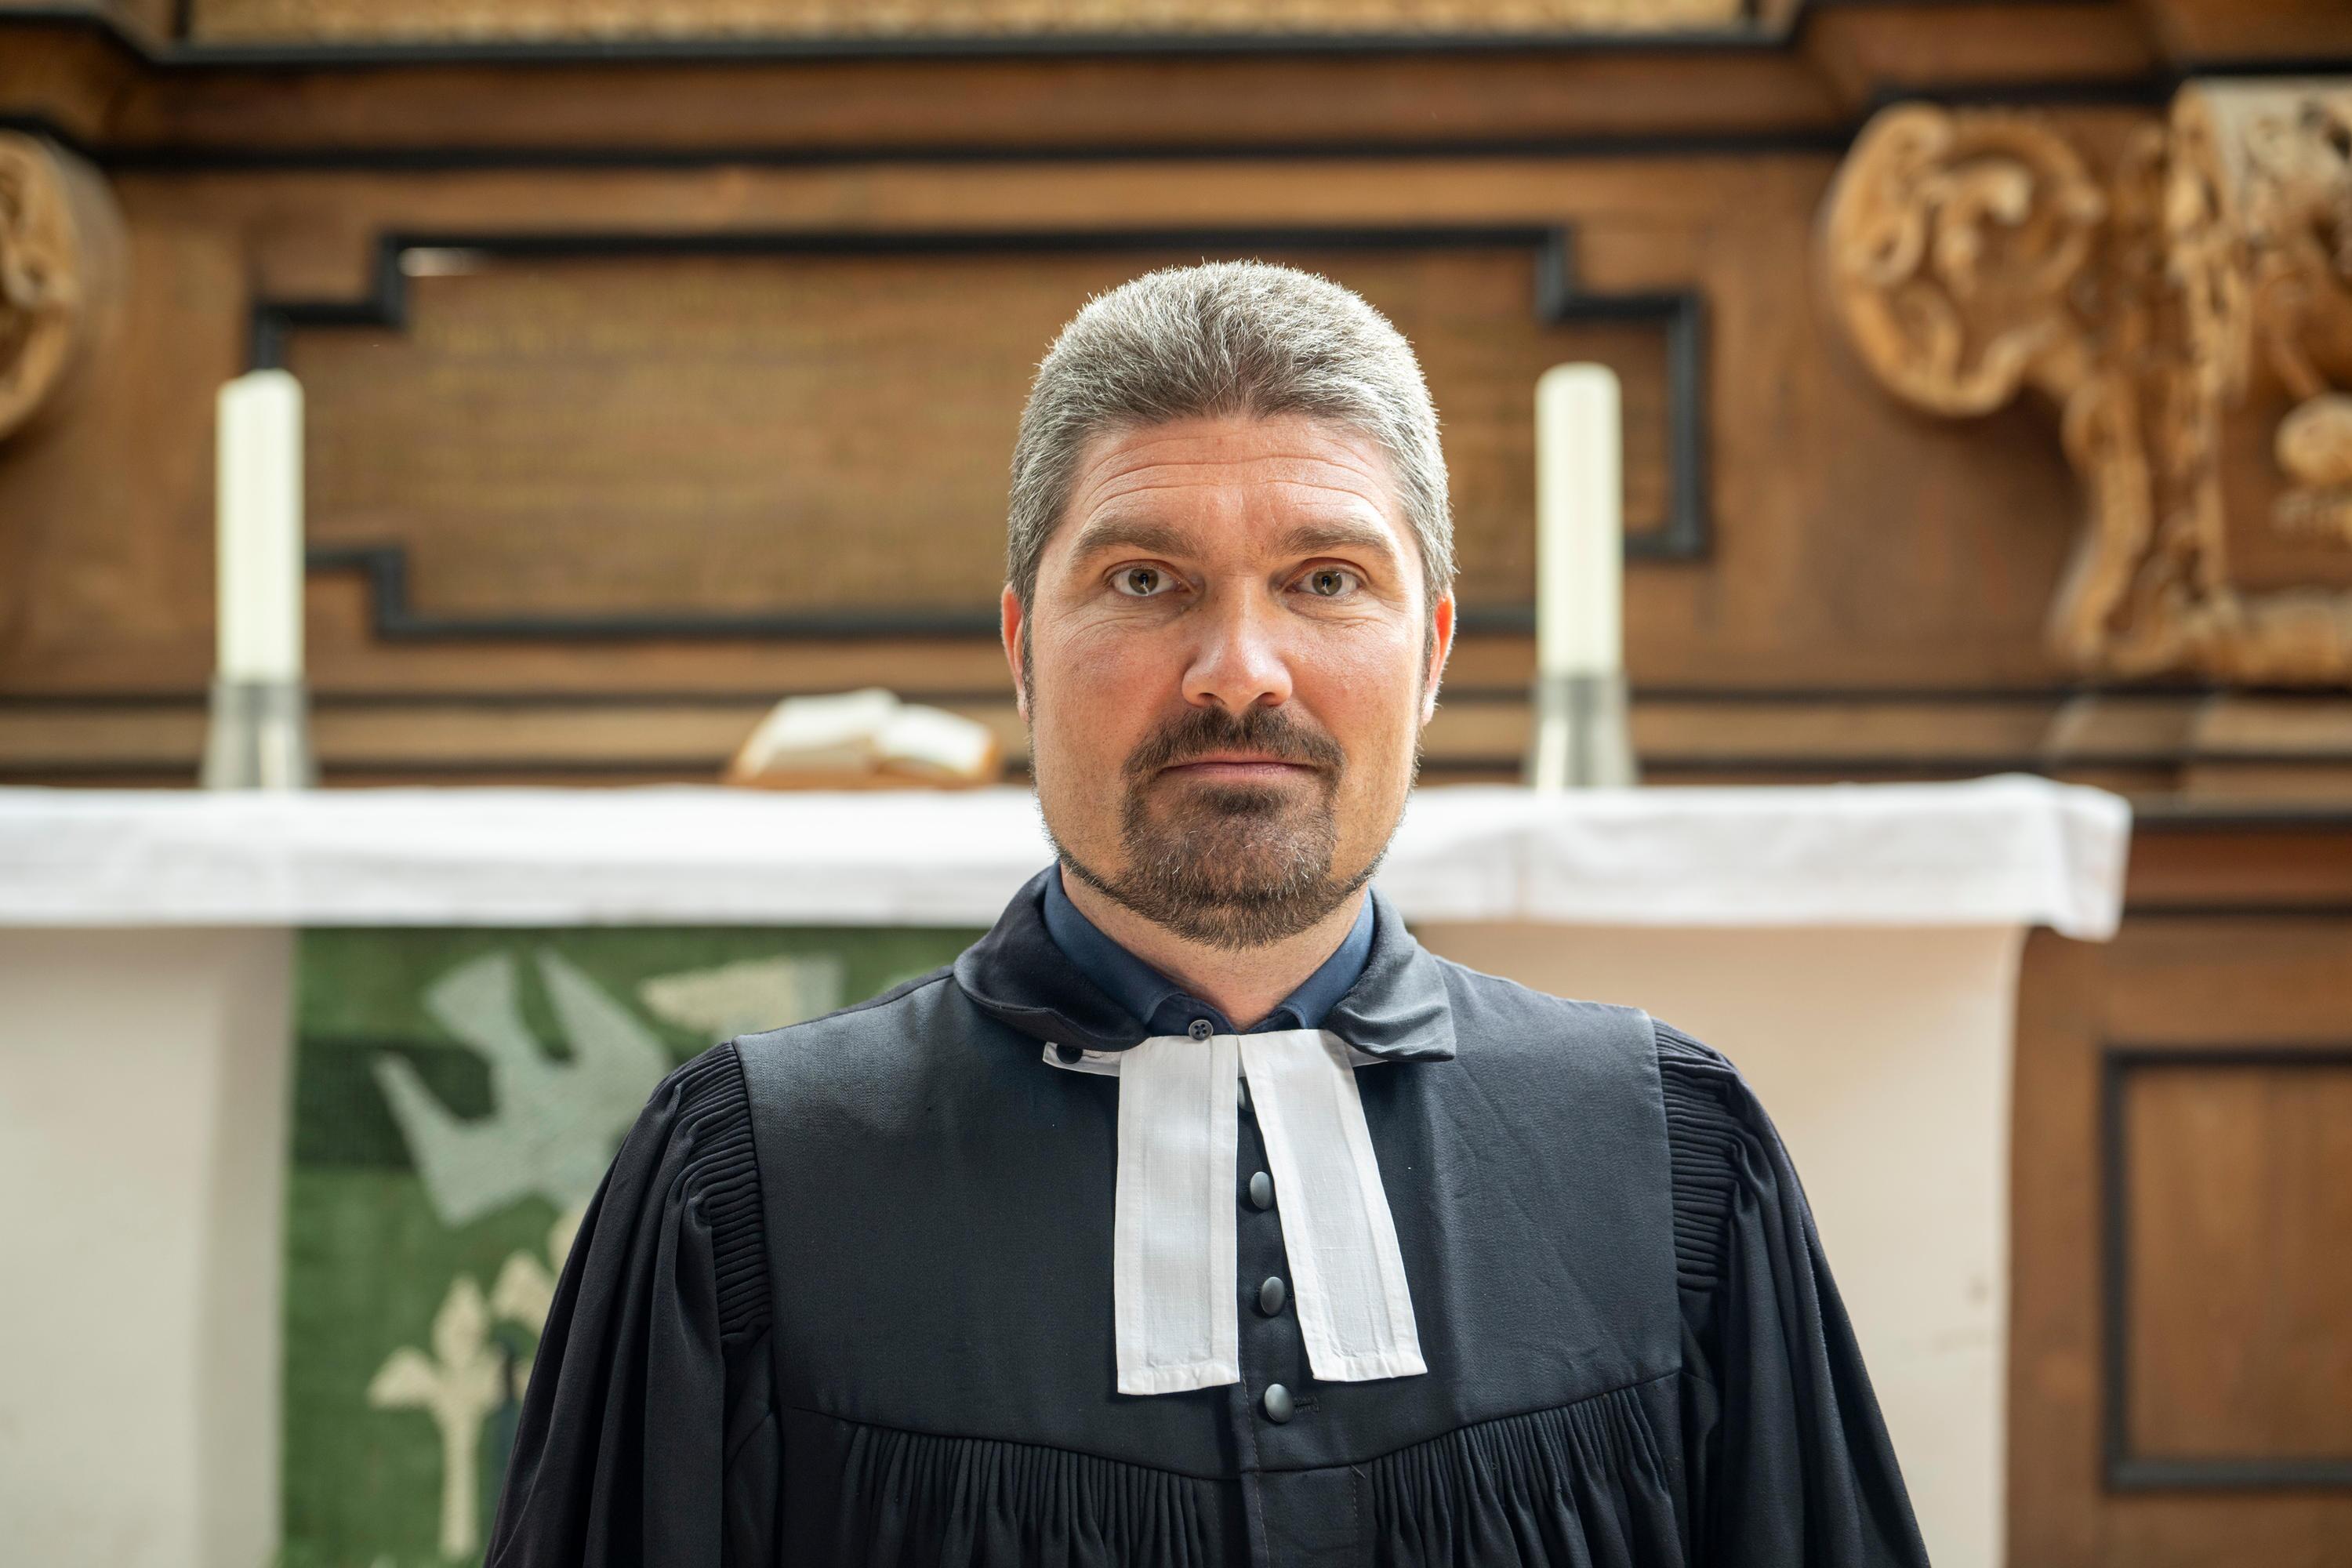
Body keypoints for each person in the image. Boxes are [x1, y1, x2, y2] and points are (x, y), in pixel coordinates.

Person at [485, 261, 1933, 1567]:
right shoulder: (753, 1184)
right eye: (1144, 579)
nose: (1239, 670)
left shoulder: (1671, 1159)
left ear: (1432, 652)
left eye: (1326, 579)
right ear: (1022, 647)